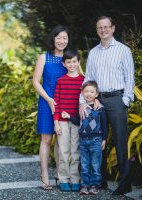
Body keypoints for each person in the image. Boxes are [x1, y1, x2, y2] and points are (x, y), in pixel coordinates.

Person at [79, 16, 135, 195]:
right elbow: (88, 78)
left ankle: (125, 184)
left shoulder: (123, 50)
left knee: (120, 142)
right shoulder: (94, 52)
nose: (103, 30)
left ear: (113, 28)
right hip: (97, 101)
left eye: (106, 27)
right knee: (97, 139)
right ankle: (100, 181)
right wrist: (85, 101)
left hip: (117, 100)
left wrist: (125, 100)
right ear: (97, 31)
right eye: (99, 28)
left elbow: (130, 77)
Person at [32, 25, 72, 190]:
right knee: (46, 139)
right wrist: (48, 99)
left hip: (64, 103)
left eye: (65, 38)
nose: (62, 41)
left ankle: (59, 173)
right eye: (59, 37)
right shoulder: (44, 57)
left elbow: (79, 78)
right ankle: (45, 175)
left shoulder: (70, 58)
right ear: (53, 39)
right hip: (47, 102)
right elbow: (35, 82)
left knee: (60, 139)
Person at [62, 81, 108, 195]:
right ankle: (85, 185)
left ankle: (95, 185)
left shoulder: (100, 108)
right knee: (85, 164)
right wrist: (69, 117)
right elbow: (78, 121)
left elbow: (105, 124)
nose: (89, 94)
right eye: (86, 91)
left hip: (96, 140)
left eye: (92, 92)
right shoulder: (81, 108)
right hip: (83, 140)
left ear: (96, 94)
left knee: (95, 164)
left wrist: (104, 139)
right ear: (82, 93)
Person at [53, 49, 84, 191]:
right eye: (68, 62)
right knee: (63, 151)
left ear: (78, 62)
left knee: (75, 151)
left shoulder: (83, 81)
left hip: (77, 121)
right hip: (62, 122)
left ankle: (76, 179)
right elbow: (56, 103)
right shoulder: (60, 81)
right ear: (64, 64)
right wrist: (56, 122)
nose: (71, 64)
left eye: (74, 61)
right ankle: (63, 179)